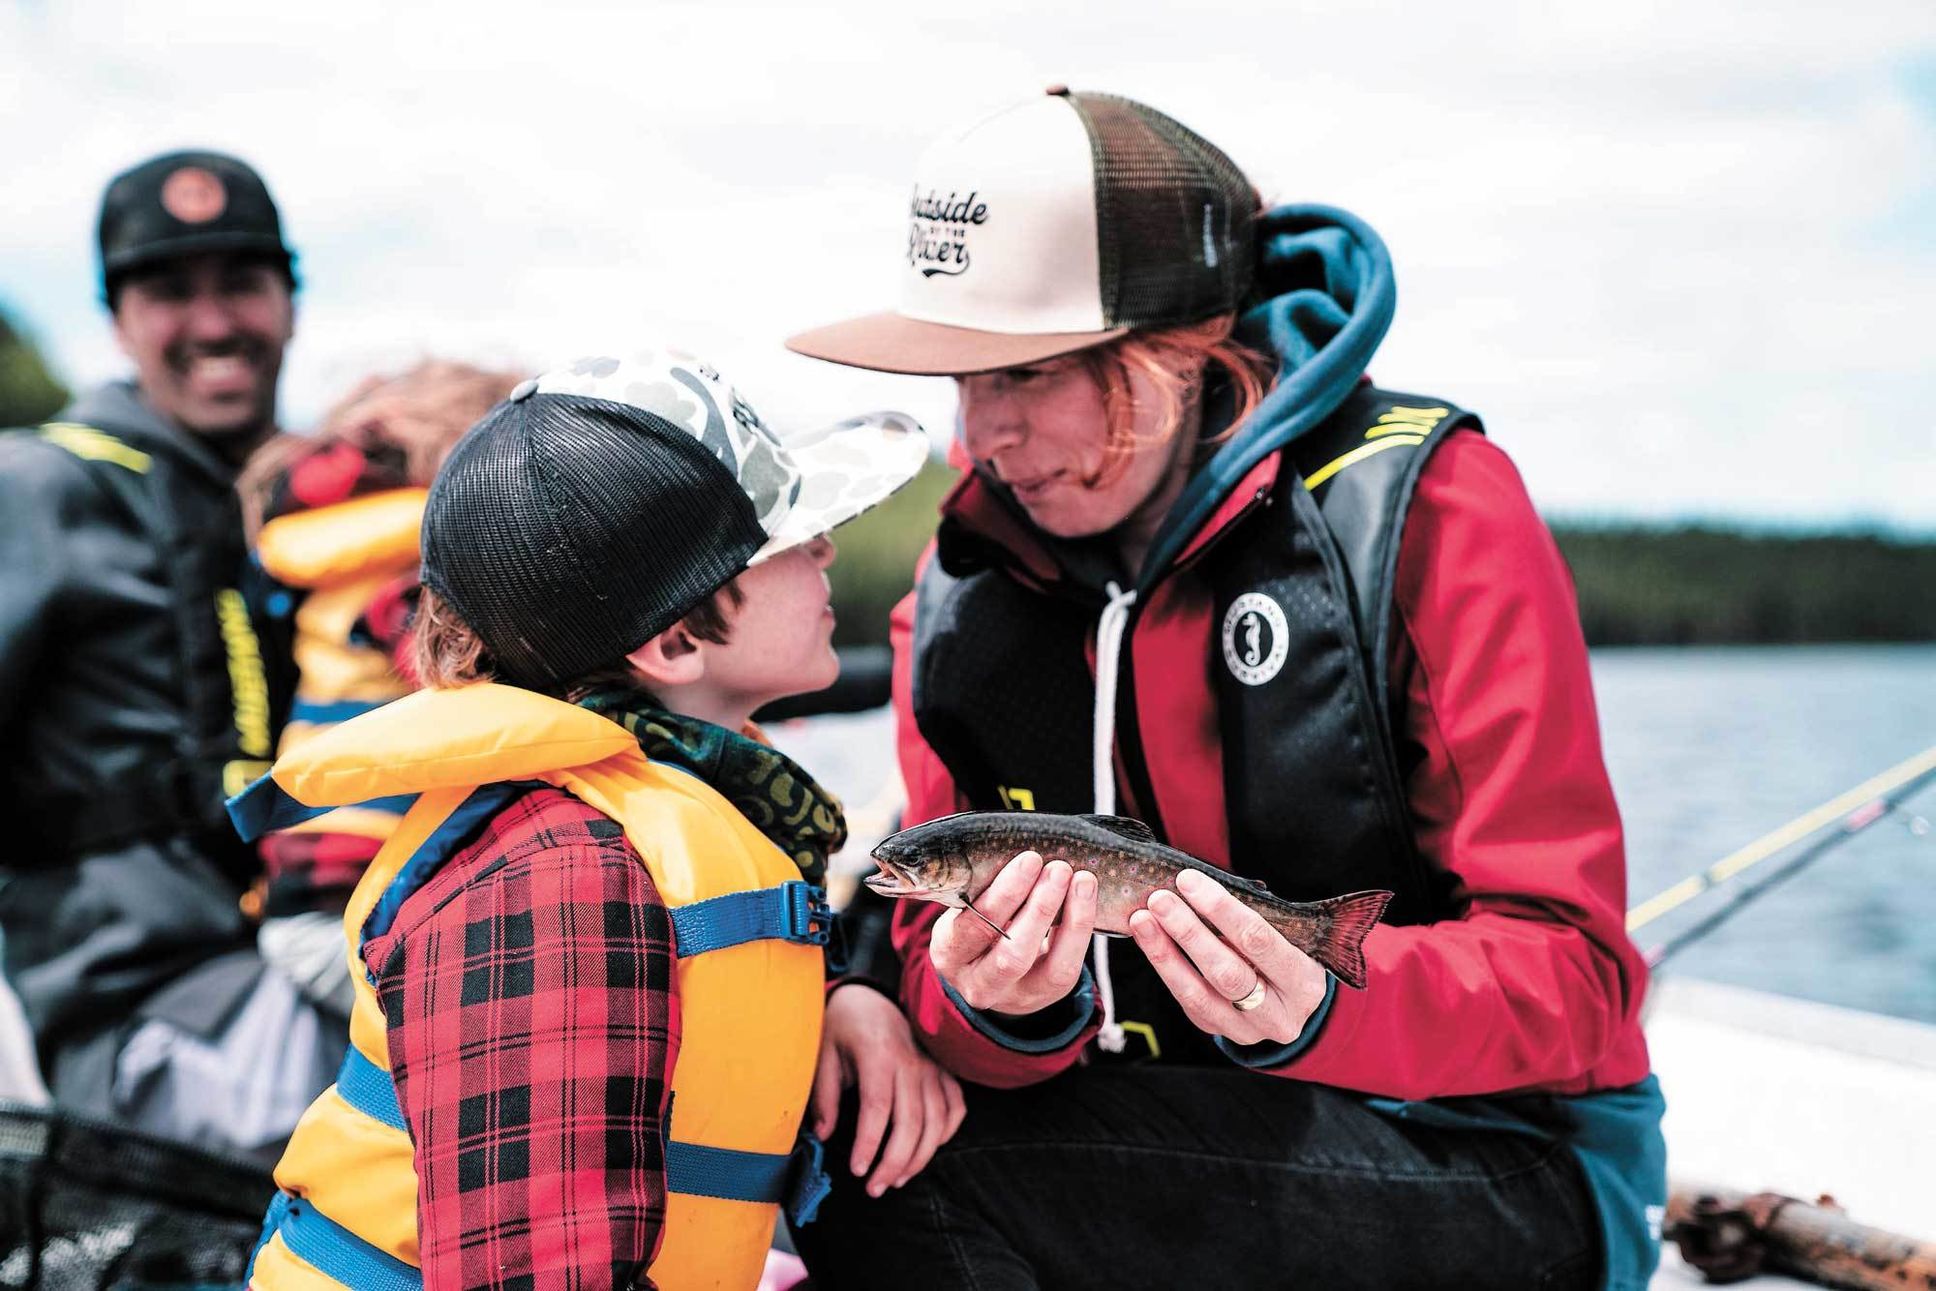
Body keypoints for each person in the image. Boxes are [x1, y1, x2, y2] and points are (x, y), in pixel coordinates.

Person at [785, 88, 1667, 1290]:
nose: (975, 439)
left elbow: (1582, 983)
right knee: (846, 1158)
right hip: (1155, 1127)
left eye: (1027, 376)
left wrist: (1321, 997)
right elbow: (944, 991)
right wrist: (989, 1012)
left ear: (1180, 355)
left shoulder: (1433, 510)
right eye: (961, 381)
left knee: (936, 1188)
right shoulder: (958, 585)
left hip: (1492, 1151)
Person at [230, 352, 963, 1288]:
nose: (825, 550)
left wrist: (839, 997)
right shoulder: (559, 870)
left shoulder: (647, 815)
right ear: (672, 640)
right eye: (788, 536)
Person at [0, 149, 339, 1160]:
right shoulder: (35, 490)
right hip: (153, 1022)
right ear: (115, 319)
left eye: (241, 283)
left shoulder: (332, 511)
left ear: (289, 300)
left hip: (315, 968)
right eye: (168, 292)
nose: (213, 322)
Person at [239, 359, 522, 1017]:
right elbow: (462, 671)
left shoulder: (339, 568)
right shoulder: (400, 582)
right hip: (345, 915)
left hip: (317, 906)